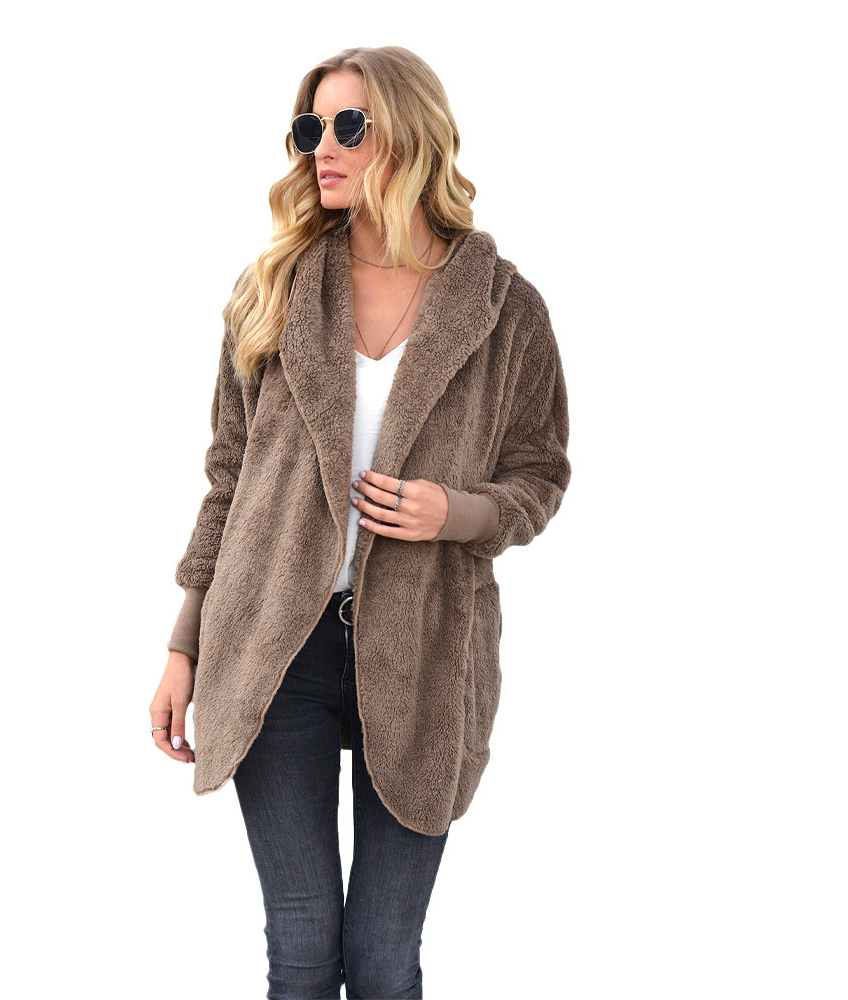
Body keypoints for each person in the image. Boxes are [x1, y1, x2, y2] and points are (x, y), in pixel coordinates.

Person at [148, 45, 571, 1000]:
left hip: (425, 649)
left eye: (349, 126)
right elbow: (227, 479)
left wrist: (455, 512)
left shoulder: (505, 309)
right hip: (274, 643)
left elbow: (540, 473)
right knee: (303, 951)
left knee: (383, 961)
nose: (322, 148)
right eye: (310, 128)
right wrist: (184, 646)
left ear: (412, 136)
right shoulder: (276, 290)